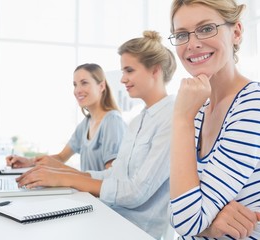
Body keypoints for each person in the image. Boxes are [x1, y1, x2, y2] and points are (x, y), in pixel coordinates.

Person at [16, 30, 177, 239]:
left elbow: (136, 192)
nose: (122, 79)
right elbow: (115, 174)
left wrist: (66, 179)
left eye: (129, 70)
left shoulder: (171, 118)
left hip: (136, 230)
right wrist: (63, 176)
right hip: (111, 215)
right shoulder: (138, 121)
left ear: (155, 70)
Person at [168, 0, 260, 239]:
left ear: (235, 32)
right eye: (181, 34)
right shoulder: (199, 109)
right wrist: (209, 224)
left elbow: (185, 219)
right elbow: (175, 208)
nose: (192, 44)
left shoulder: (259, 104)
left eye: (206, 29)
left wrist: (181, 119)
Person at [6, 63, 127, 172]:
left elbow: (112, 177)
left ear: (101, 86)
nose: (77, 90)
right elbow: (61, 157)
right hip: (87, 195)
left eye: (84, 83)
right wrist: (29, 161)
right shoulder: (86, 123)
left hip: (99, 197)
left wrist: (68, 177)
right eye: (75, 85)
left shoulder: (112, 122)